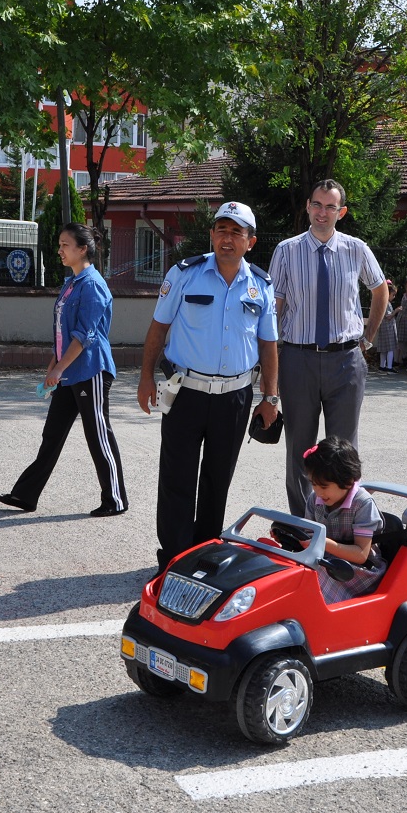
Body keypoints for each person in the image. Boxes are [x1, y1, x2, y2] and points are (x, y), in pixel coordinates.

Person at [138, 201, 279, 573]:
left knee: (218, 481)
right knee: (177, 479)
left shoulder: (260, 285)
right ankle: (172, 559)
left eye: (236, 232)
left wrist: (271, 397)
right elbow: (158, 328)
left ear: (251, 241)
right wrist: (145, 377)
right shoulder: (185, 274)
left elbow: (268, 345)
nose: (227, 238)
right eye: (221, 230)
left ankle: (201, 556)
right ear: (212, 234)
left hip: (235, 397)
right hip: (186, 391)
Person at [268, 179, 390, 517]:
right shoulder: (287, 250)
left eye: (330, 206)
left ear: (342, 212)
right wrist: (270, 361)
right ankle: (303, 525)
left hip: (346, 361)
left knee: (343, 451)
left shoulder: (356, 249)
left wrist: (368, 337)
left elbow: (380, 291)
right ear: (307, 206)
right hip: (297, 359)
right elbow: (274, 306)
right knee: (300, 451)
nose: (323, 212)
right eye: (317, 205)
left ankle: (344, 525)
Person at [0, 223, 128, 517]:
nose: (59, 250)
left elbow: (85, 336)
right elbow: (62, 331)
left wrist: (60, 368)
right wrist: (53, 365)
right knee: (52, 434)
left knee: (98, 434)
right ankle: (25, 495)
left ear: (83, 249)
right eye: (59, 244)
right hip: (69, 370)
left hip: (91, 370)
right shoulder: (71, 283)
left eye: (65, 244)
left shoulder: (93, 284)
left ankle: (115, 500)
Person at [286, 436, 385, 603]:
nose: (318, 492)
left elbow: (361, 554)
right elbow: (309, 536)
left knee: (312, 580)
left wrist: (322, 542)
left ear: (347, 481)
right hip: (326, 560)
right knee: (288, 570)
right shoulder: (314, 499)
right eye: (313, 484)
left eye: (323, 486)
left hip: (359, 570)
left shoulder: (362, 504)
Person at [373, 278, 399, 370]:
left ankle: (382, 365)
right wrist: (396, 311)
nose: (394, 297)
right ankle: (389, 366)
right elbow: (388, 316)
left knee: (383, 348)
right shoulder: (387, 303)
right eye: (393, 295)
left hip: (383, 327)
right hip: (388, 328)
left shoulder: (381, 302)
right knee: (390, 348)